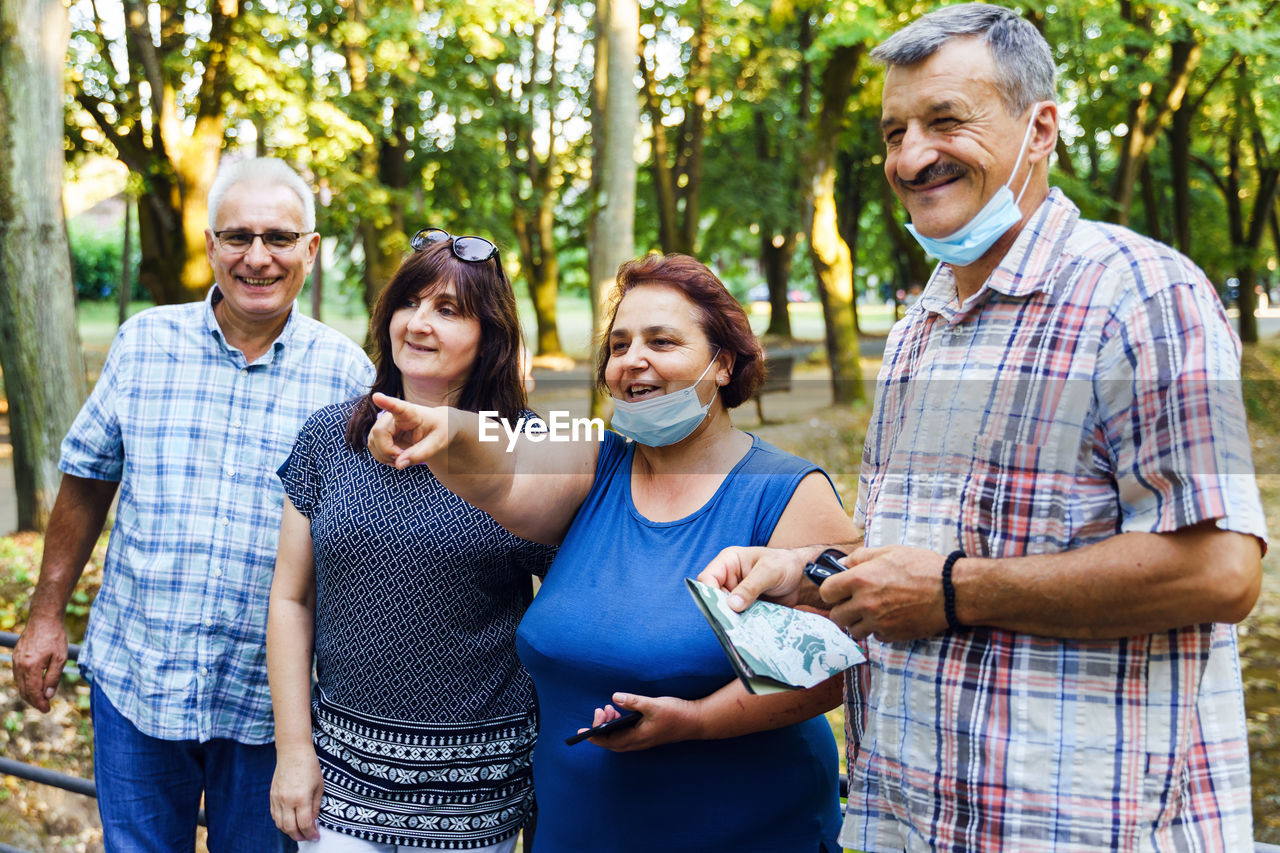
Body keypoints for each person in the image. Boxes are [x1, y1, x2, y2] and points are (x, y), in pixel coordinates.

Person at [698, 5, 1267, 851]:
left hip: (1091, 829)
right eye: (894, 131)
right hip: (910, 821)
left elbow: (1221, 571)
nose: (910, 155)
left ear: (1040, 130)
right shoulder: (921, 326)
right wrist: (811, 573)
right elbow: (923, 558)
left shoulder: (1144, 294)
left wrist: (955, 591)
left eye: (945, 120)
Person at [369, 253, 855, 852]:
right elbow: (508, 466)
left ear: (722, 363)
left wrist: (697, 722)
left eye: (662, 342)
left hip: (746, 831)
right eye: (619, 345)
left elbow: (835, 668)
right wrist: (447, 428)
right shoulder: (597, 455)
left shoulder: (786, 490)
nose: (633, 361)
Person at [11, 157, 373, 851]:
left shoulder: (348, 375)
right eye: (237, 236)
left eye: (279, 237)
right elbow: (87, 478)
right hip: (140, 678)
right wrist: (46, 615)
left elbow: (361, 542)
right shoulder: (145, 342)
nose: (257, 257)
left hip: (271, 704)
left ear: (311, 248)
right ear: (209, 245)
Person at [267, 228, 555, 851]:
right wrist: (294, 752)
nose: (419, 323)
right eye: (409, 302)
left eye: (449, 310)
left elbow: (570, 608)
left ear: (489, 335)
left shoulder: (529, 450)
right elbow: (291, 599)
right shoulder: (328, 437)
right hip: (341, 784)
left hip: (477, 791)